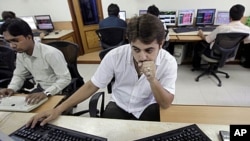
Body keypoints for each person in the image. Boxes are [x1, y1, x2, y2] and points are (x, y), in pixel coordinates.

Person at [26, 14, 177, 128]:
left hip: (147, 105)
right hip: (120, 103)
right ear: (129, 42)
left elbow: (165, 103)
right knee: (107, 133)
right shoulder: (115, 56)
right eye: (136, 49)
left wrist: (152, 80)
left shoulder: (168, 62)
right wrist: (58, 109)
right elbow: (92, 85)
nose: (142, 57)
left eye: (149, 50)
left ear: (161, 44)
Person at [0, 18, 71, 104]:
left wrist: (46, 93)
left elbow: (65, 79)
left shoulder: (50, 53)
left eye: (15, 40)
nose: (12, 46)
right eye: (8, 42)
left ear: (29, 37)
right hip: (40, 89)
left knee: (42, 116)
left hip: (59, 90)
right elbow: (19, 75)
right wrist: (11, 88)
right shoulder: (21, 54)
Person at [192, 4, 250, 70]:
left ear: (229, 16)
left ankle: (196, 66)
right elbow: (248, 41)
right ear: (242, 16)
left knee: (198, 44)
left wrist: (201, 34)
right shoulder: (247, 29)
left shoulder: (221, 28)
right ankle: (214, 67)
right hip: (229, 54)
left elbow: (207, 40)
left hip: (214, 53)